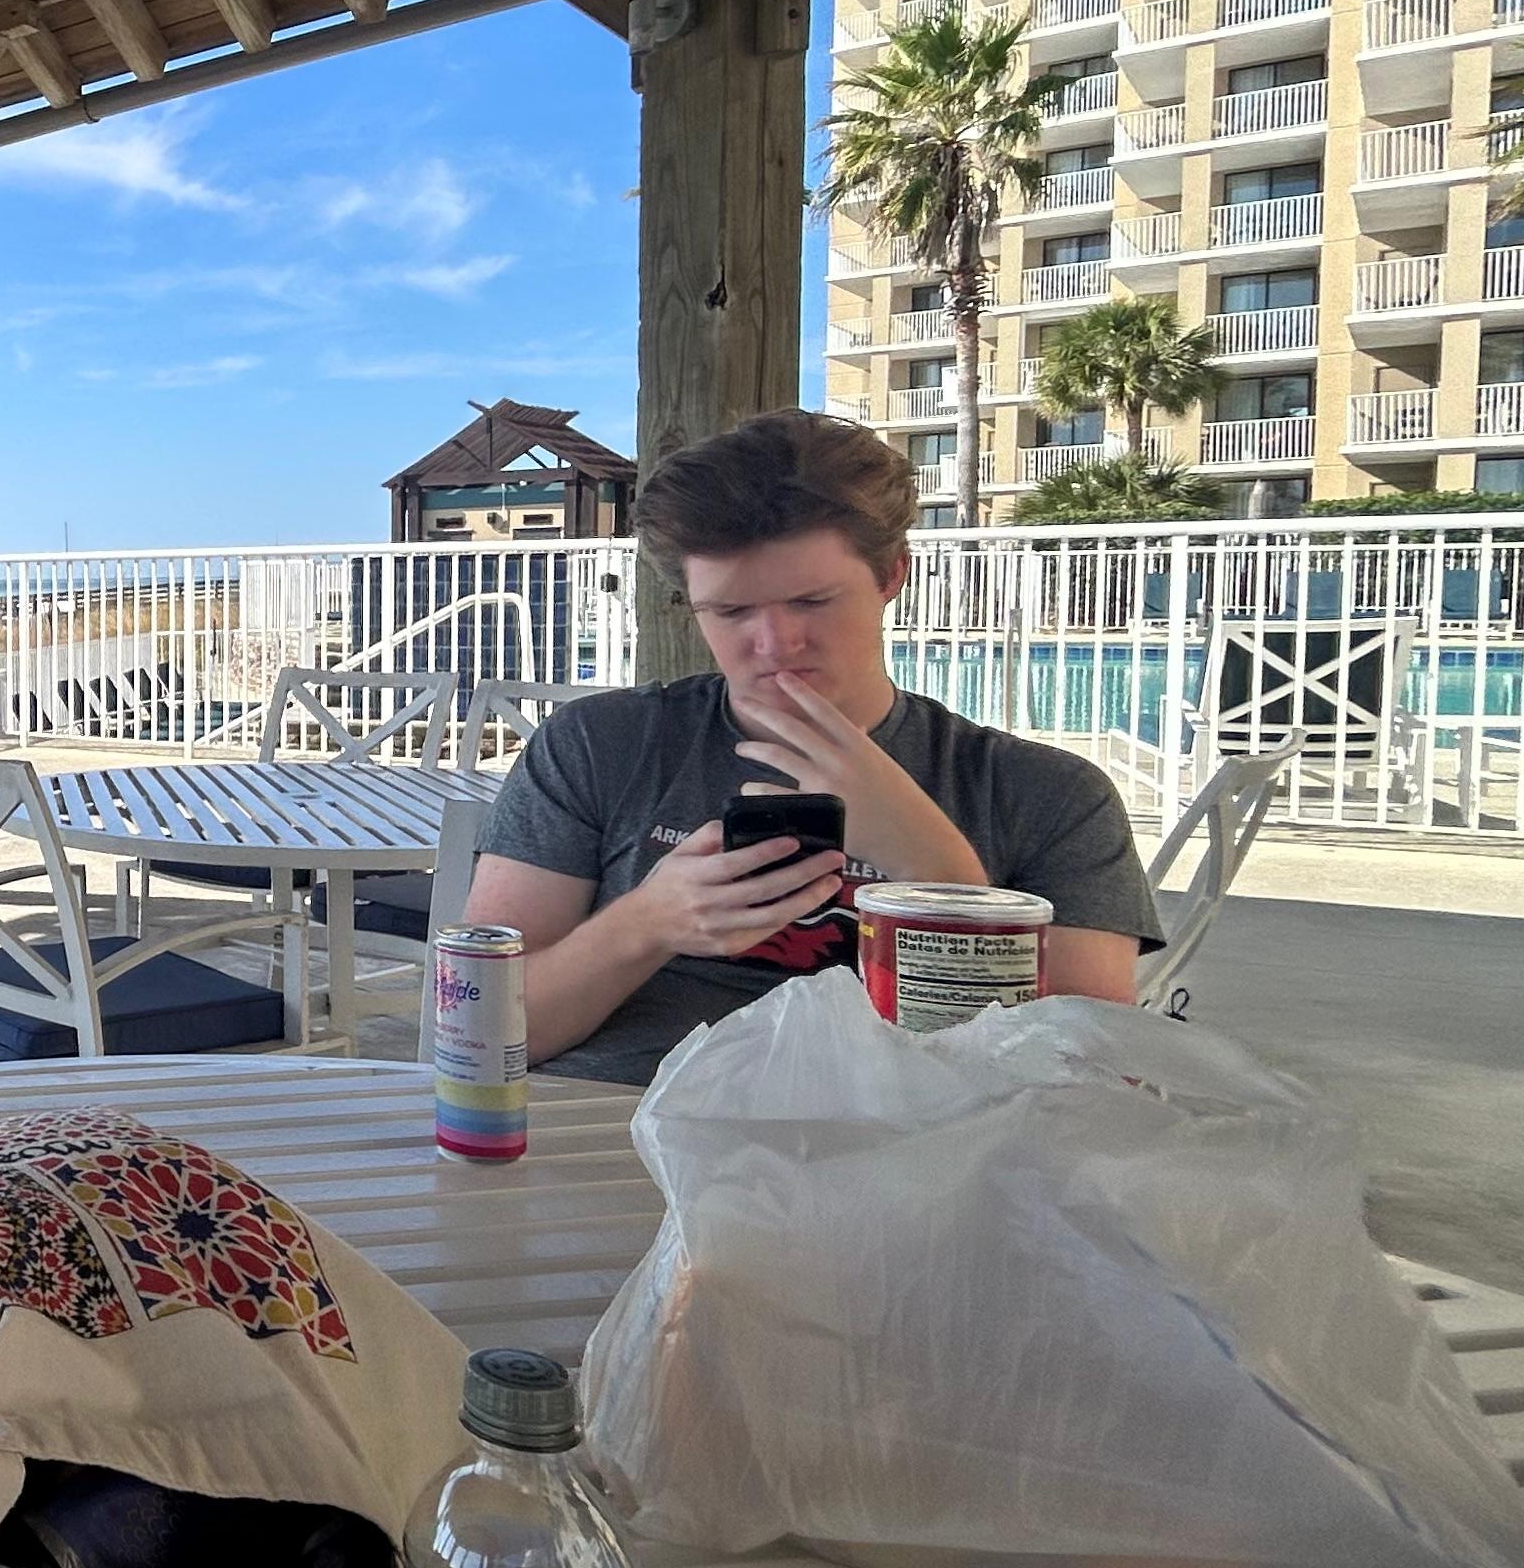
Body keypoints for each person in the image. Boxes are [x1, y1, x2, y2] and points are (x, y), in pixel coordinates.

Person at [469, 409, 1153, 1086]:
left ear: (892, 577)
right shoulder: (602, 746)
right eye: (732, 612)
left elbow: (1091, 1082)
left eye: (812, 602)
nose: (775, 646)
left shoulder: (1045, 793)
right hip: (615, 1122)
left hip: (915, 1152)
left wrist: (935, 872)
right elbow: (481, 1032)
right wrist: (646, 924)